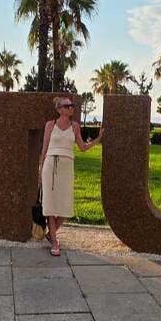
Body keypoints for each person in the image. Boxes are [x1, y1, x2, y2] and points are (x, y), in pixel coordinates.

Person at [39, 96, 103, 257]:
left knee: (66, 206)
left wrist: (98, 139)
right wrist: (40, 171)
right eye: (67, 106)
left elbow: (82, 147)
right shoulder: (50, 125)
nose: (71, 108)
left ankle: (51, 233)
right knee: (49, 205)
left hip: (67, 168)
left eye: (72, 105)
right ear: (59, 109)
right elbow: (44, 149)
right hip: (50, 166)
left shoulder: (75, 127)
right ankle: (55, 242)